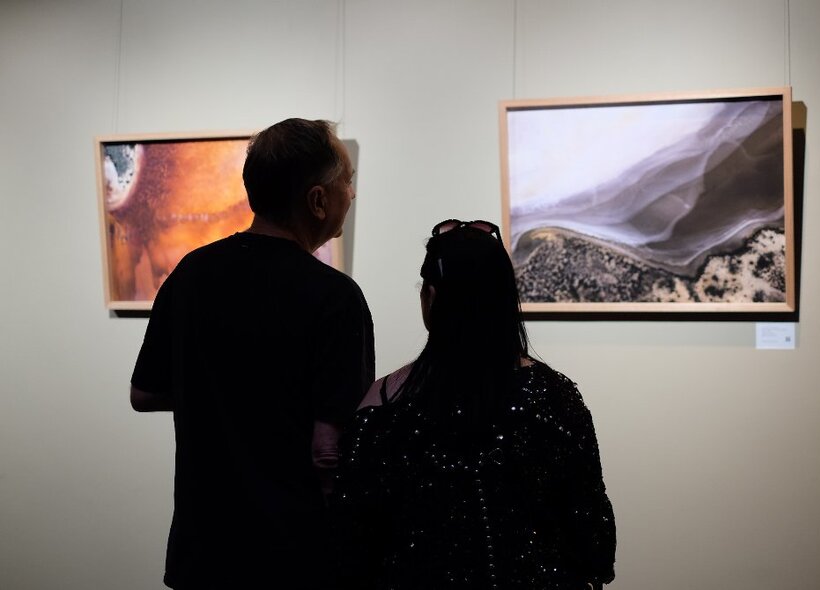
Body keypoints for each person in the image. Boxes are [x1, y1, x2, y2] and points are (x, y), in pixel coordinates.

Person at [130, 118, 375, 589]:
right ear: (318, 200)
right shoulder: (334, 297)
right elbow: (329, 451)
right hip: (292, 557)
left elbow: (144, 393)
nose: (352, 193)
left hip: (203, 552)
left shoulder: (192, 274)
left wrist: (221, 392)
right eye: (347, 181)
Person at [333, 219, 616, 590]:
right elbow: (594, 541)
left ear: (430, 298)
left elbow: (352, 545)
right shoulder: (557, 398)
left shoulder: (383, 405)